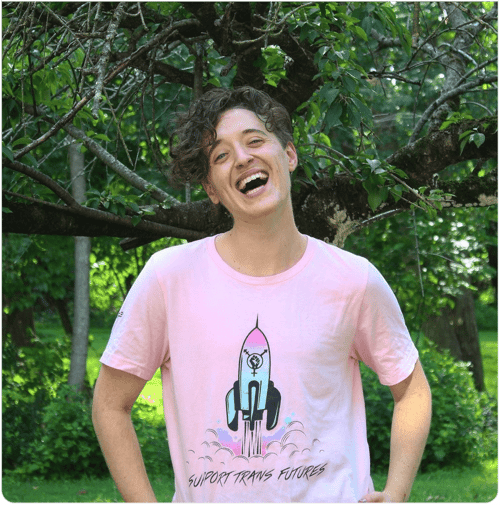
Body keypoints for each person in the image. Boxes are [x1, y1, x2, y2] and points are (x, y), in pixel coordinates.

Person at [92, 86, 432, 503]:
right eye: (220, 155)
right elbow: (110, 403)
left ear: (288, 155)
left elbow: (412, 389)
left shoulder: (353, 280)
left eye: (254, 140)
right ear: (212, 189)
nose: (242, 157)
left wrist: (396, 493)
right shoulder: (169, 278)